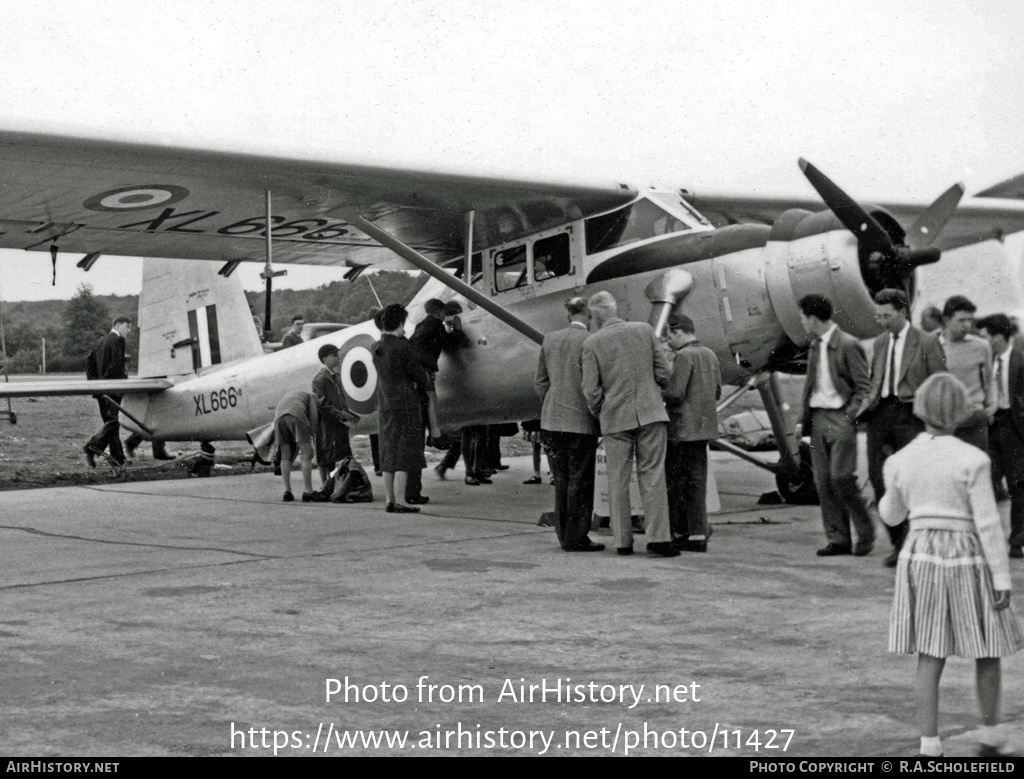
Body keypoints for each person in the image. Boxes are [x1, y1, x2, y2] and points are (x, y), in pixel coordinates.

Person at [880, 372, 1023, 758]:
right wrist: (1001, 577)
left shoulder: (899, 460)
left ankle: (930, 746)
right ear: (960, 412)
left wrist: (891, 482)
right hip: (966, 555)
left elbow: (892, 516)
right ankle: (991, 735)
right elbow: (989, 522)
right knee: (987, 648)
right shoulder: (973, 459)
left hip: (921, 554)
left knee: (930, 652)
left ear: (920, 409)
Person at [581, 291, 677, 557]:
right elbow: (665, 372)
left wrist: (601, 410)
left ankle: (623, 542)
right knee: (653, 476)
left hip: (615, 418)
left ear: (595, 314)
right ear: (614, 308)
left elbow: (591, 389)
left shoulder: (592, 343)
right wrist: (654, 391)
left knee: (617, 480)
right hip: (650, 413)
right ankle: (659, 540)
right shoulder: (644, 330)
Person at [861, 288, 946, 567]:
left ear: (902, 312)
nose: (882, 321)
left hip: (911, 415)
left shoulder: (926, 342)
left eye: (887, 316)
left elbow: (939, 383)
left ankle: (913, 545)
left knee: (912, 482)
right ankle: (898, 543)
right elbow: (876, 379)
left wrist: (935, 423)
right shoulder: (881, 341)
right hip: (880, 414)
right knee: (879, 480)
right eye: (878, 316)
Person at [798, 294, 875, 557]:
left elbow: (864, 387)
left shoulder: (848, 344)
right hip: (818, 418)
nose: (801, 323)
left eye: (803, 318)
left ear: (812, 318)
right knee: (823, 482)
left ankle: (865, 531)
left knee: (841, 478)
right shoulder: (815, 346)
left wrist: (849, 415)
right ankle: (839, 539)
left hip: (840, 417)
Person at [535, 296, 603, 553]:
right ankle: (577, 537)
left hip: (551, 421)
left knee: (561, 479)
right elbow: (592, 386)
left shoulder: (549, 339)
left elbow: (540, 383)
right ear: (589, 316)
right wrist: (595, 411)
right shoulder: (590, 341)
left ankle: (563, 535)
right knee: (581, 481)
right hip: (580, 421)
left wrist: (553, 404)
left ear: (568, 316)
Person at [663, 313, 721, 553]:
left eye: (670, 336)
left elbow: (675, 393)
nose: (669, 342)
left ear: (678, 332)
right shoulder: (710, 354)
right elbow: (717, 391)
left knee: (677, 484)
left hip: (681, 431)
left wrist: (658, 391)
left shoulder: (684, 356)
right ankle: (698, 534)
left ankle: (681, 532)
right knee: (697, 482)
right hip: (703, 428)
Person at [372, 303, 428, 513]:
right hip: (405, 405)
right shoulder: (403, 347)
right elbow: (419, 375)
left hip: (385, 404)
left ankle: (389, 499)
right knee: (404, 455)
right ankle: (401, 501)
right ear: (401, 323)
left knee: (388, 453)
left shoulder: (375, 347)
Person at [977, 313, 1024, 559]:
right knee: (985, 483)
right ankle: (984, 539)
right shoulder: (987, 361)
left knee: (1018, 487)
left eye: (986, 337)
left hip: (1015, 430)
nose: (983, 341)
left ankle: (1017, 542)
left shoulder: (1020, 360)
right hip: (992, 428)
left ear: (997, 338)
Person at [938, 295, 994, 452]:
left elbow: (990, 379)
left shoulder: (981, 346)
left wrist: (992, 404)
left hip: (974, 419)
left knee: (977, 470)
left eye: (970, 320)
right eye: (961, 320)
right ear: (946, 320)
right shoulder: (933, 346)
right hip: (944, 421)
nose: (967, 325)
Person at [409, 298, 462, 448]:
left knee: (426, 400)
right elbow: (451, 341)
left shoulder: (421, 325)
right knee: (431, 398)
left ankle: (432, 433)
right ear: (439, 312)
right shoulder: (436, 325)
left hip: (415, 368)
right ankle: (435, 434)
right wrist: (456, 328)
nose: (445, 316)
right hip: (424, 369)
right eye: (444, 312)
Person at [83, 316, 133, 467]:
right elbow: (116, 366)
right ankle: (92, 447)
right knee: (113, 422)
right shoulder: (119, 341)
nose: (129, 331)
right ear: (118, 325)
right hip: (112, 389)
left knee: (110, 424)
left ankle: (118, 460)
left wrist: (96, 384)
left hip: (100, 390)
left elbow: (89, 363)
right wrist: (106, 382)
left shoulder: (100, 341)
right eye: (127, 327)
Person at [312, 343, 356, 486]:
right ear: (325, 359)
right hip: (327, 424)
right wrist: (342, 415)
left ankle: (336, 484)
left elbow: (341, 401)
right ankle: (326, 485)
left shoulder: (335, 377)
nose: (338, 358)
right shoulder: (319, 380)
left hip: (337, 422)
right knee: (326, 456)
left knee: (339, 454)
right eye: (334, 356)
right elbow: (322, 405)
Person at [273, 389, 326, 503]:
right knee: (307, 453)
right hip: (296, 414)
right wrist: (311, 438)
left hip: (278, 417)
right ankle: (308, 491)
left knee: (285, 455)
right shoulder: (313, 397)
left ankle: (287, 491)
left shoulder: (296, 394)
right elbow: (313, 419)